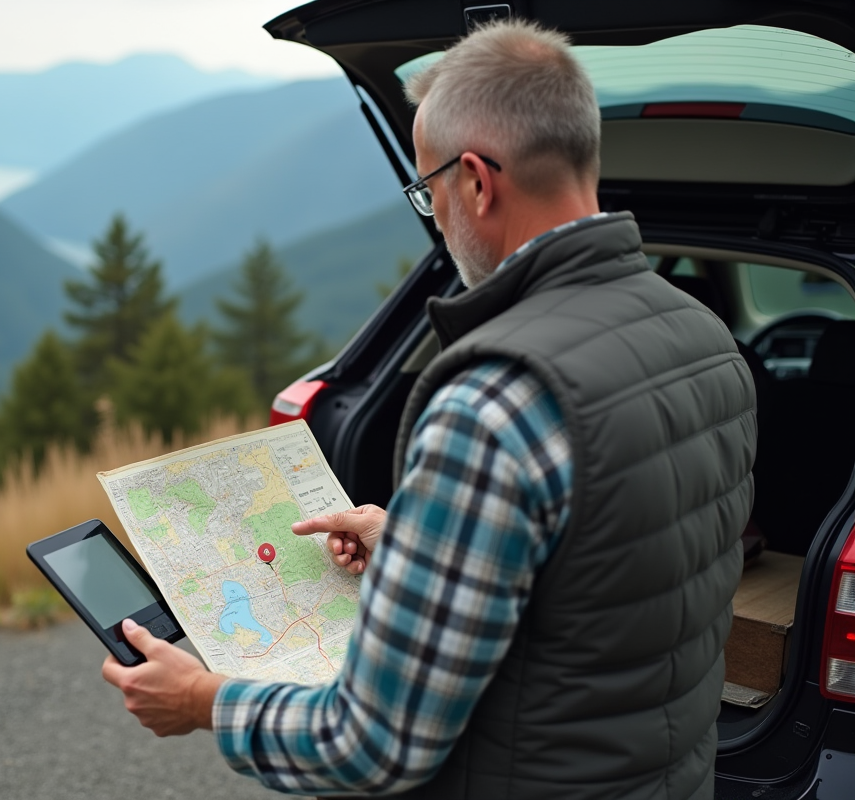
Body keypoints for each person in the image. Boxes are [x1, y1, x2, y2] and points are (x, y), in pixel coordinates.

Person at [102, 19, 756, 799]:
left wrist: (205, 702)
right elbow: (607, 584)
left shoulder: (493, 401)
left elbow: (373, 744)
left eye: (427, 190)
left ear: (476, 181)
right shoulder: (706, 339)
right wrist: (415, 543)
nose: (435, 215)